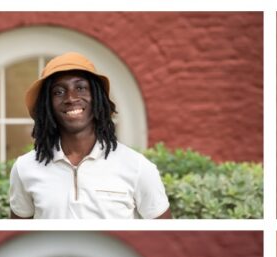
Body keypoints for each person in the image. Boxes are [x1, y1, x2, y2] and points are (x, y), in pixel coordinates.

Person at [9, 52, 172, 219]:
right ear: (47, 105)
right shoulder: (25, 168)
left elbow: (166, 237)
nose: (71, 98)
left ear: (97, 97)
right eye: (58, 92)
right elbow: (19, 236)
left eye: (80, 88)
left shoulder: (137, 167)